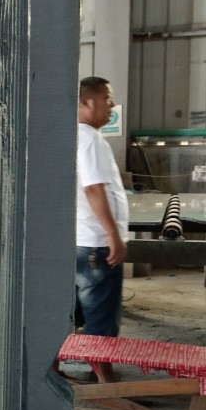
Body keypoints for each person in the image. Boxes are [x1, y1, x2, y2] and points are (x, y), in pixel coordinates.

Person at [75, 76, 129, 381]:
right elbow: (94, 189)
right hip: (96, 243)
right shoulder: (90, 139)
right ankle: (106, 386)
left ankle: (54, 374)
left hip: (81, 239)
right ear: (85, 102)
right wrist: (113, 236)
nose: (111, 104)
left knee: (72, 314)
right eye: (106, 98)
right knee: (101, 317)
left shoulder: (72, 136)